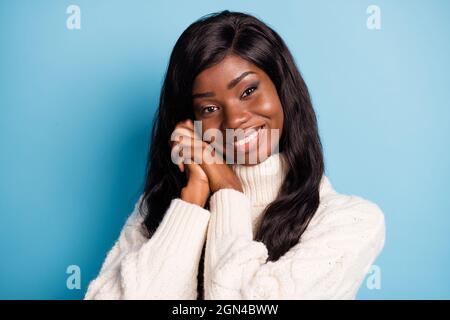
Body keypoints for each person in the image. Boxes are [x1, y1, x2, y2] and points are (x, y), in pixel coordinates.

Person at [85, 10, 385, 300]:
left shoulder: (352, 221)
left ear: (282, 89)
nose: (234, 119)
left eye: (248, 91)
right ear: (190, 123)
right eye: (210, 109)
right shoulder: (160, 211)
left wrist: (229, 191)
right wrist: (193, 199)